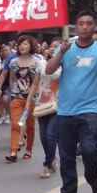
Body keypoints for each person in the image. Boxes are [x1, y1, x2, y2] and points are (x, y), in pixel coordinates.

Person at [46, 11, 97, 193]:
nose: (85, 26)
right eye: (81, 23)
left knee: (89, 149)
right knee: (66, 154)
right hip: (65, 110)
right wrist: (60, 52)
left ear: (94, 27)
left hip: (92, 110)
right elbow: (49, 70)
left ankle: (93, 178)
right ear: (76, 27)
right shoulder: (65, 48)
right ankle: (68, 191)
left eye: (89, 23)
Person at [2, 35, 41, 163]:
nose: (22, 46)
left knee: (30, 126)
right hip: (16, 97)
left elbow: (38, 82)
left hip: (32, 99)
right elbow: (12, 79)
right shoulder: (13, 62)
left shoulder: (37, 62)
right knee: (15, 124)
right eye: (20, 44)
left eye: (25, 44)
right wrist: (12, 93)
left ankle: (28, 150)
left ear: (31, 46)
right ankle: (13, 152)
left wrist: (34, 96)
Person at [32, 43, 61, 179]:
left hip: (57, 104)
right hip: (41, 104)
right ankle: (51, 158)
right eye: (52, 46)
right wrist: (29, 101)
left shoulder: (65, 66)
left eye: (57, 47)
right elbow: (35, 83)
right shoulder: (41, 64)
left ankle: (47, 164)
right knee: (44, 137)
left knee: (50, 135)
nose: (53, 49)